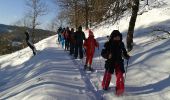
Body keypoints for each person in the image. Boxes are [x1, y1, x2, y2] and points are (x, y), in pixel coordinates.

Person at [101, 30, 130, 96]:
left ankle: (119, 90)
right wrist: (108, 55)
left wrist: (126, 56)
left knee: (120, 75)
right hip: (110, 62)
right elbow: (103, 53)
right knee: (108, 75)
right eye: (116, 36)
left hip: (119, 62)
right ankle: (105, 85)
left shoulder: (121, 44)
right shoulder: (108, 44)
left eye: (119, 36)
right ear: (113, 37)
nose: (117, 38)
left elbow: (124, 52)